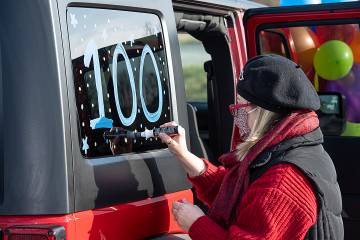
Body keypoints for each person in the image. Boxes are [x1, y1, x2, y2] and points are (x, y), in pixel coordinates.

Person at [158, 54, 343, 240]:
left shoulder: (282, 181)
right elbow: (238, 196)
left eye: (242, 105)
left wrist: (196, 223)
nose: (238, 113)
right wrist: (183, 154)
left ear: (264, 112)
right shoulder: (296, 148)